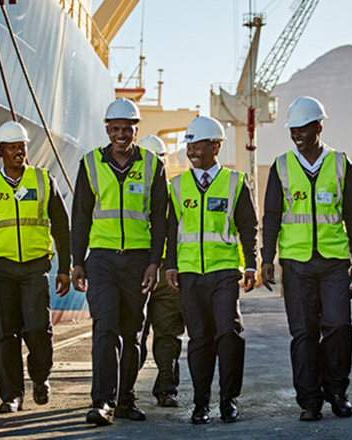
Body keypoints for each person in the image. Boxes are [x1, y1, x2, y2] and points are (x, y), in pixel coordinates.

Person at [260, 96, 352, 422]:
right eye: (292, 130)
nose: (297, 136)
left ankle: (337, 391)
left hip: (334, 262)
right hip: (296, 263)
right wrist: (266, 258)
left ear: (319, 127)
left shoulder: (340, 163)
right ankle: (309, 400)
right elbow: (272, 215)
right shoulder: (281, 166)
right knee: (303, 333)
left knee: (338, 326)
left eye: (303, 129)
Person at [71, 98, 168, 426]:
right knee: (105, 328)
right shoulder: (90, 164)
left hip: (139, 262)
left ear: (136, 130)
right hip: (101, 260)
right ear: (107, 129)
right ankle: (102, 402)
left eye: (128, 129)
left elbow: (160, 218)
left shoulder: (154, 165)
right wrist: (77, 261)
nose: (122, 135)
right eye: (115, 129)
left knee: (133, 333)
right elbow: (80, 216)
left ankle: (125, 399)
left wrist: (155, 262)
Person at [165, 116, 258, 424]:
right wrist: (171, 266)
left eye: (197, 143)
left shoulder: (234, 182)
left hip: (224, 271)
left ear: (215, 146)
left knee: (228, 332)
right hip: (191, 274)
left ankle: (228, 399)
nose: (191, 149)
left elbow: (248, 226)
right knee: (200, 339)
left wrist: (251, 264)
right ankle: (201, 404)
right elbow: (171, 230)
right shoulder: (177, 186)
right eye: (189, 144)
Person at [0, 121, 71, 414]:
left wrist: (65, 267)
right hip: (1, 268)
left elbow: (62, 225)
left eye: (22, 146)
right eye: (12, 147)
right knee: (5, 335)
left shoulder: (44, 181)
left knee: (38, 330)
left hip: (34, 268)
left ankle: (40, 377)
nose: (19, 151)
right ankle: (11, 395)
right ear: (0, 151)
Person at [137, 134, 185, 408]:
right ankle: (127, 391)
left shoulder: (174, 193)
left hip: (165, 274)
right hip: (142, 273)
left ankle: (165, 388)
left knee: (166, 336)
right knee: (137, 336)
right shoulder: (135, 192)